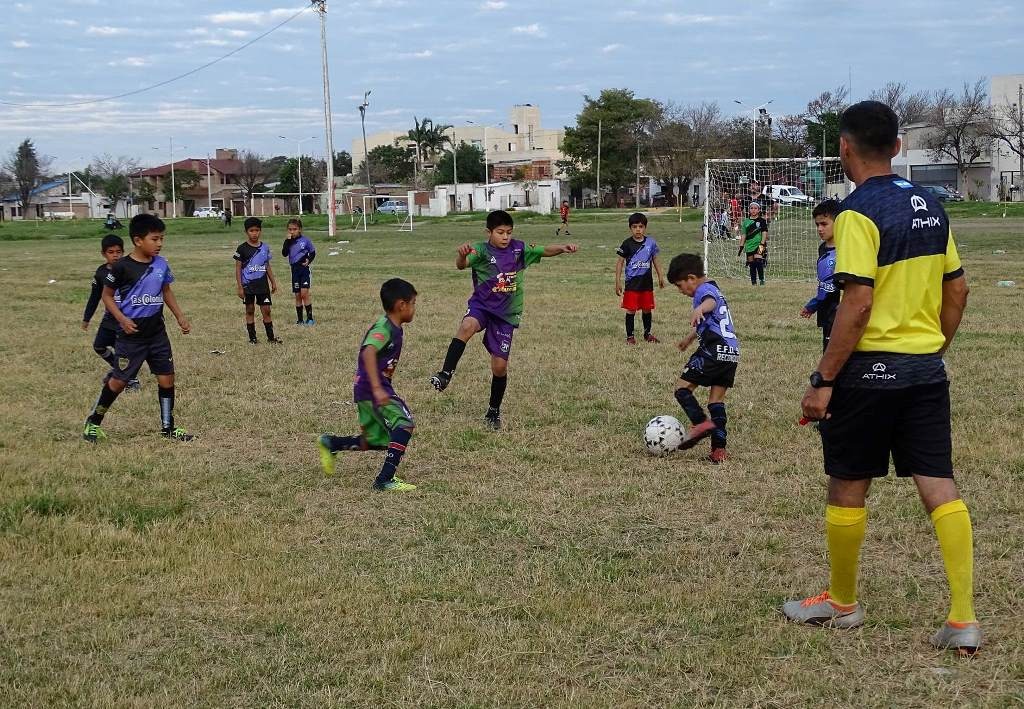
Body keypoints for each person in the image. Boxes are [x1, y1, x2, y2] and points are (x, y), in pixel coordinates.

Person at [785, 101, 978, 656]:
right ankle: (962, 618)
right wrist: (931, 348)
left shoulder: (856, 213)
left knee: (848, 480)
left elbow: (858, 304)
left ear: (845, 148)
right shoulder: (932, 205)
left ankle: (842, 603)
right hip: (925, 371)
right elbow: (958, 289)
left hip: (869, 374)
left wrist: (823, 378)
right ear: (896, 147)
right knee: (938, 483)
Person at [428, 209, 577, 429]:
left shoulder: (519, 249)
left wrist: (563, 248)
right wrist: (461, 255)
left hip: (506, 314)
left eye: (508, 232)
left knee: (499, 367)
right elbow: (461, 265)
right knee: (467, 326)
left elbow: (545, 250)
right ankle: (445, 373)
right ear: (489, 232)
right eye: (500, 232)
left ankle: (493, 411)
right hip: (482, 306)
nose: (505, 237)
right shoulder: (479, 250)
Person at [81, 214, 193, 443]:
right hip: (131, 336)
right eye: (155, 238)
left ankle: (168, 427)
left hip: (157, 333)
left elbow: (167, 291)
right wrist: (122, 319)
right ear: (138, 240)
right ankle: (93, 422)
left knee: (167, 378)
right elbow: (107, 296)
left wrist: (180, 316)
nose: (160, 243)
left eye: (162, 238)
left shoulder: (162, 264)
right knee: (119, 381)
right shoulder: (123, 267)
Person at [318, 278, 419, 492]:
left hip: (366, 388)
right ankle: (384, 479)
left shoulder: (394, 327)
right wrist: (377, 388)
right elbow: (368, 351)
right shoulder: (384, 328)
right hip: (373, 388)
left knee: (379, 440)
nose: (414, 308)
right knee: (404, 423)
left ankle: (332, 443)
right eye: (413, 303)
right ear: (402, 305)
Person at [667, 253, 739, 464]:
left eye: (680, 286)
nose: (681, 291)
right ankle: (719, 449)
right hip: (731, 352)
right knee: (716, 402)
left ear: (691, 278)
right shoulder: (714, 286)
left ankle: (700, 423)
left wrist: (700, 306)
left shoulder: (703, 292)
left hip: (714, 349)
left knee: (682, 389)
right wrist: (689, 338)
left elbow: (710, 303)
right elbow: (709, 319)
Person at [82, 234, 141, 391]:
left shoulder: (127, 269)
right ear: (103, 253)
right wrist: (86, 318)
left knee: (123, 351)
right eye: (111, 252)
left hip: (125, 319)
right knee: (99, 346)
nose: (115, 255)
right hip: (109, 318)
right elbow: (95, 297)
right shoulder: (101, 273)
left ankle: (132, 380)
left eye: (118, 252)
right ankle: (118, 370)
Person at [615, 212, 665, 344]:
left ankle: (647, 334)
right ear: (630, 228)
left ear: (645, 228)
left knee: (647, 309)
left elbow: (655, 260)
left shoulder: (651, 243)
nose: (638, 229)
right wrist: (617, 281)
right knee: (631, 309)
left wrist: (660, 276)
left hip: (646, 283)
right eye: (635, 226)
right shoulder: (627, 244)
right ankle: (630, 337)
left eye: (641, 226)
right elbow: (620, 262)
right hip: (632, 284)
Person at [800, 199, 841, 352]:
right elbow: (824, 284)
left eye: (824, 224)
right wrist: (814, 305)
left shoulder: (846, 248)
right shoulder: (822, 248)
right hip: (826, 311)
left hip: (840, 311)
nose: (819, 229)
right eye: (817, 225)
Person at [234, 217, 281, 345]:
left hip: (262, 286)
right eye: (251, 231)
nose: (254, 233)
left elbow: (267, 266)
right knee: (250, 310)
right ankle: (253, 339)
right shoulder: (242, 249)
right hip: (248, 286)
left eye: (257, 230)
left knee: (266, 310)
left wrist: (273, 281)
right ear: (246, 232)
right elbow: (238, 268)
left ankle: (271, 338)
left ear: (260, 231)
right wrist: (239, 286)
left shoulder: (264, 248)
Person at [282, 218, 317, 325]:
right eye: (290, 229)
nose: (292, 231)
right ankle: (300, 320)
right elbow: (284, 253)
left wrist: (308, 260)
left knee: (304, 294)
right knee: (297, 295)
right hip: (294, 271)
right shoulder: (288, 242)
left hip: (304, 270)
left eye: (295, 229)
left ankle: (310, 318)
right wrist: (287, 241)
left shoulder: (305, 241)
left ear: (300, 229)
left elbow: (313, 252)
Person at [738, 202, 769, 285]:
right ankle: (754, 282)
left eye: (755, 208)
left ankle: (762, 279)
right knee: (752, 264)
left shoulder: (762, 221)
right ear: (749, 210)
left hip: (760, 245)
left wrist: (762, 243)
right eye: (751, 208)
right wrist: (741, 245)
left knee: (759, 261)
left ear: (758, 210)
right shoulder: (746, 222)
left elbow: (764, 232)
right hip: (749, 245)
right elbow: (744, 235)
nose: (753, 210)